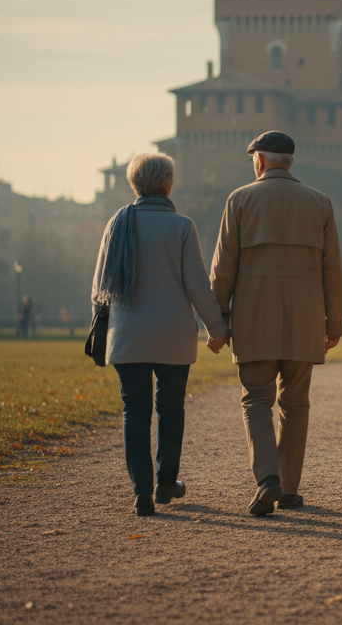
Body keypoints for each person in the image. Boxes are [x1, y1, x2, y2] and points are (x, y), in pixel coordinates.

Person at [211, 131, 342, 516]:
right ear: (289, 162)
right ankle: (288, 489)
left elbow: (223, 269)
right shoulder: (320, 203)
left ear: (259, 161)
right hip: (305, 317)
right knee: (296, 403)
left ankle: (267, 478)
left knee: (256, 398)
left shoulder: (239, 199)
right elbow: (332, 270)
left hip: (255, 317)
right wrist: (333, 323)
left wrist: (218, 321)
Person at [91, 152, 229, 517]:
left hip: (129, 334)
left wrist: (100, 328)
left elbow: (99, 286)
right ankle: (166, 482)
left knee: (134, 412)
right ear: (169, 183)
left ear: (135, 184)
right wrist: (218, 329)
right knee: (170, 410)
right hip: (172, 335)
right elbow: (198, 286)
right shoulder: (182, 226)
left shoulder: (116, 224)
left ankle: (141, 492)